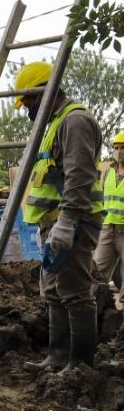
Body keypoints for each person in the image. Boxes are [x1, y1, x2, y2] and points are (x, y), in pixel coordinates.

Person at [18, 61, 105, 372]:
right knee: (54, 290)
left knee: (75, 291)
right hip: (55, 223)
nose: (27, 109)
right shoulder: (54, 124)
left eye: (29, 101)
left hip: (74, 221)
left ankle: (81, 367)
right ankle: (56, 358)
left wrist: (67, 222)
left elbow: (79, 176)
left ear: (46, 92)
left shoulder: (75, 121)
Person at [94, 131, 124, 311]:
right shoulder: (108, 172)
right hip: (107, 227)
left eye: (122, 148)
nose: (119, 151)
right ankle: (97, 305)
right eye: (116, 148)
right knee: (97, 269)